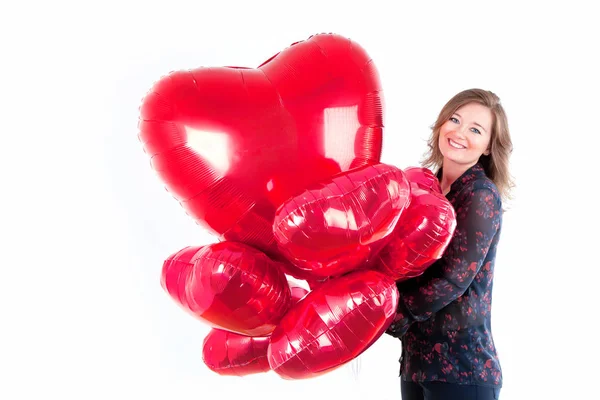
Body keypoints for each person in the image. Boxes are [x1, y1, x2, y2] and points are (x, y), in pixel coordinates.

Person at [385, 88, 514, 400]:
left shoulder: (480, 194)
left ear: (487, 147)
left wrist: (393, 314)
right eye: (454, 119)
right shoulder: (424, 189)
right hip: (417, 364)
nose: (459, 132)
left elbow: (453, 278)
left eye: (475, 129)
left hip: (462, 370)